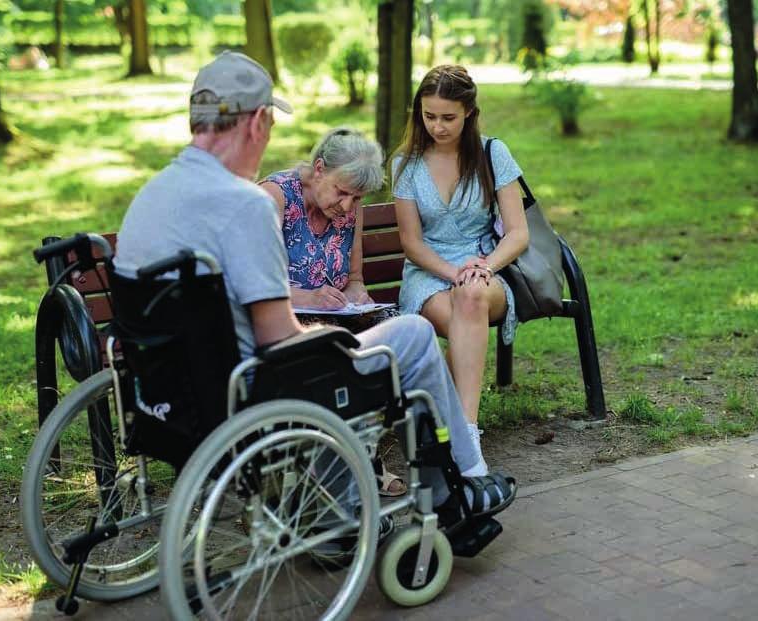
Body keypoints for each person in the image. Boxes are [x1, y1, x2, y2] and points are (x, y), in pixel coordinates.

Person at [114, 52, 514, 527]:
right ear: (258, 123)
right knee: (412, 337)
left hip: (170, 388)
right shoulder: (249, 205)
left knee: (341, 357)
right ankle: (463, 481)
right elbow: (279, 338)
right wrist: (335, 333)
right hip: (247, 384)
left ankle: (344, 511)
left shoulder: (151, 194)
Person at [391, 65, 529, 460]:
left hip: (488, 268)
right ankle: (463, 440)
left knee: (471, 297)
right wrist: (455, 272)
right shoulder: (406, 164)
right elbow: (411, 243)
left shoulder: (492, 153)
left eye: (448, 117)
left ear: (468, 111)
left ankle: (463, 434)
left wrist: (482, 267)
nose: (437, 126)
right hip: (430, 274)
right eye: (429, 115)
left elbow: (518, 233)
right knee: (465, 309)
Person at [260, 127, 405, 496]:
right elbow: (255, 286)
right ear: (319, 169)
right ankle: (350, 464)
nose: (347, 207)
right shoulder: (274, 199)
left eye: (356, 198)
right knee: (338, 357)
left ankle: (366, 452)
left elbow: (354, 278)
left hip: (335, 321)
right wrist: (308, 297)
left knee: (391, 335)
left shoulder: (348, 212)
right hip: (284, 325)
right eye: (342, 192)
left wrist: (359, 296)